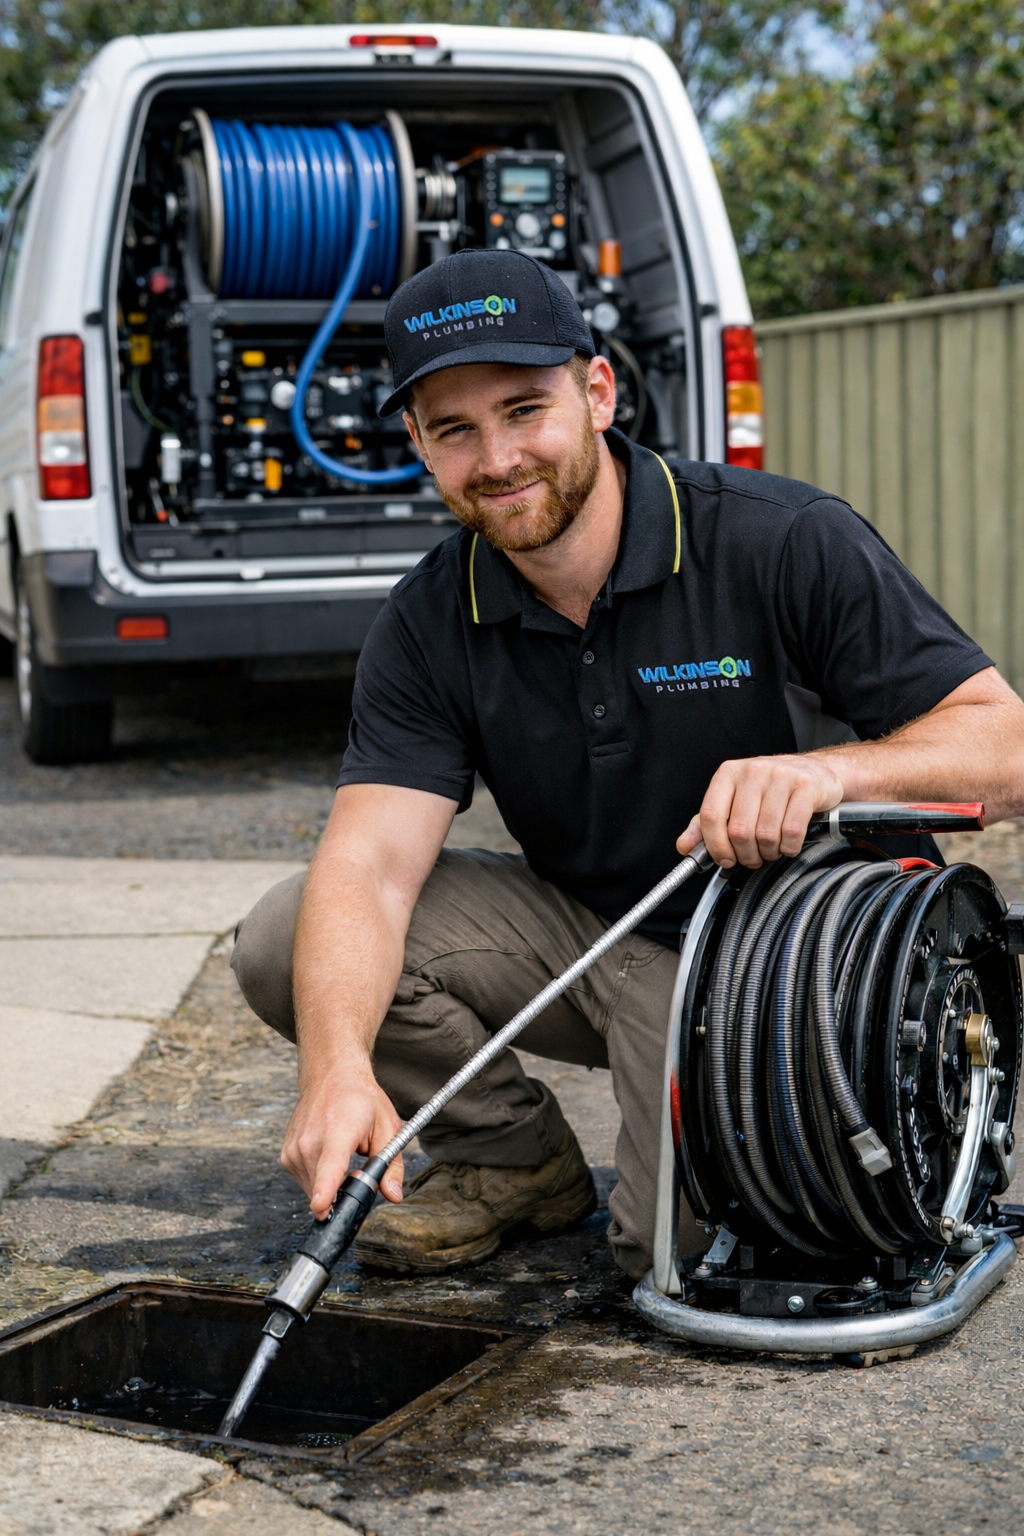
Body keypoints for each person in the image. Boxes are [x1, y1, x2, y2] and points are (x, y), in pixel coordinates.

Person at [232, 247, 1024, 1281]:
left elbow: (1003, 746)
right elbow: (368, 866)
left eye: (525, 409)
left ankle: (756, 1147)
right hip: (605, 934)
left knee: (679, 1260)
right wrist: (333, 1071)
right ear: (420, 447)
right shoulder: (428, 618)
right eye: (455, 429)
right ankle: (512, 1163)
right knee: (287, 937)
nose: (499, 457)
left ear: (597, 392)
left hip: (788, 968)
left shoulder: (780, 540)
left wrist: (830, 774)